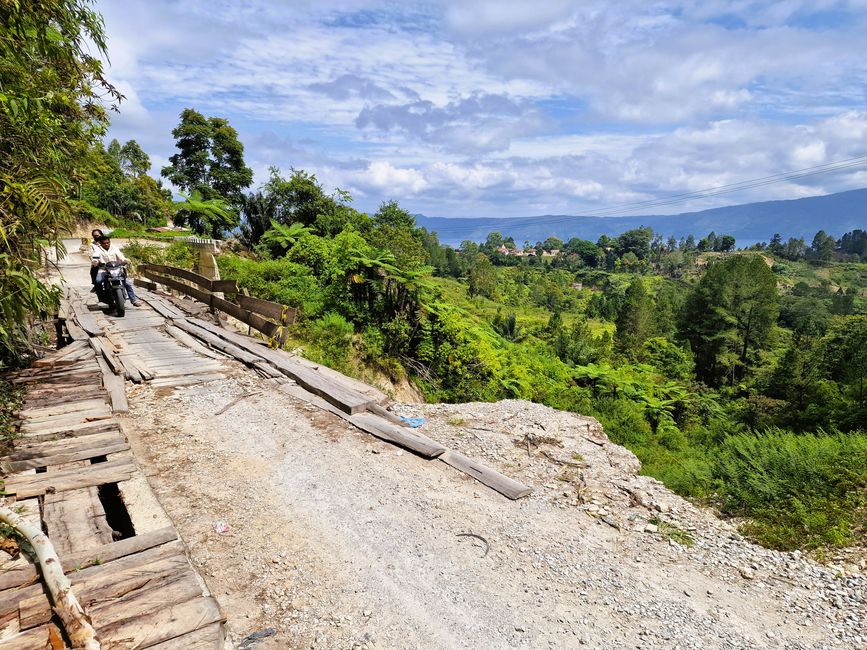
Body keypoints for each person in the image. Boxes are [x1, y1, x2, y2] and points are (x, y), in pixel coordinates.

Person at [91, 236, 142, 307]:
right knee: (98, 281)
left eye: (107, 243)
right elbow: (95, 257)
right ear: (100, 243)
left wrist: (125, 260)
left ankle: (133, 300)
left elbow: (121, 256)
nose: (106, 244)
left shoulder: (114, 248)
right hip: (104, 269)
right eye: (104, 243)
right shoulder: (97, 250)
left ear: (109, 242)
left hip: (117, 268)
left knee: (127, 283)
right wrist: (95, 261)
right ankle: (102, 297)